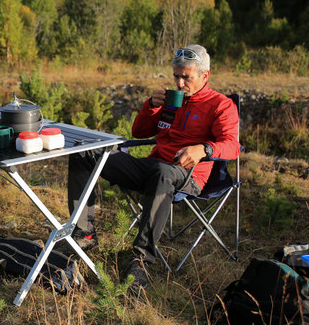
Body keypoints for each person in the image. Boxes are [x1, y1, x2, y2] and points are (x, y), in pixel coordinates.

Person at [67, 44, 240, 288]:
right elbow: (139, 132)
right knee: (86, 153)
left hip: (188, 176)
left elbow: (232, 146)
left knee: (163, 172)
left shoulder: (221, 105)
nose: (179, 84)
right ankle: (83, 233)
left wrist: (204, 149)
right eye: (176, 76)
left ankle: (140, 259)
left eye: (186, 77)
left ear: (205, 75)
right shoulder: (171, 100)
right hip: (151, 166)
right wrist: (151, 105)